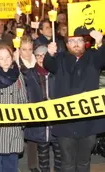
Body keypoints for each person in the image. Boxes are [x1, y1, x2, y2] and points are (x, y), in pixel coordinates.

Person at [43, 30, 105, 172]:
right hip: (66, 122)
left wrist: (100, 42)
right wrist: (50, 53)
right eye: (72, 41)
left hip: (88, 122)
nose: (76, 44)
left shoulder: (93, 57)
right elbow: (48, 64)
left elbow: (103, 58)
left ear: (85, 43)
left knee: (84, 161)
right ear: (66, 45)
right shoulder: (60, 59)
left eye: (79, 40)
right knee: (67, 163)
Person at [23, 45, 61, 172]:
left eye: (44, 55)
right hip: (40, 124)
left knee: (59, 156)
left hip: (57, 122)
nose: (41, 58)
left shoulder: (57, 73)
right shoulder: (29, 74)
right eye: (38, 55)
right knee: (43, 157)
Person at [18, 36, 39, 172]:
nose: (27, 52)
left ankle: (33, 164)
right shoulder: (16, 64)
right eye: (24, 49)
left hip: (35, 99)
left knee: (34, 134)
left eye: (30, 49)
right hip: (21, 100)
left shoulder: (37, 61)